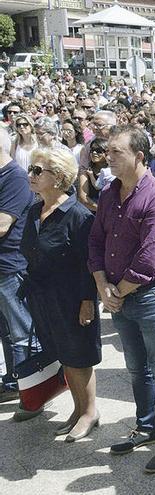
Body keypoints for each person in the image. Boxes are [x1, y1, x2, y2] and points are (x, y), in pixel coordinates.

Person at [87, 125, 155, 473]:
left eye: (116, 152)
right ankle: (146, 427)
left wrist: (116, 293)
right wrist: (102, 286)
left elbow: (148, 259)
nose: (107, 157)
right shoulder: (111, 192)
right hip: (117, 294)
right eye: (108, 151)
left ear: (139, 156)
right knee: (136, 367)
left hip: (150, 295)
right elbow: (96, 241)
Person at [20, 149, 101, 438]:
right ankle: (78, 409)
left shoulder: (77, 215)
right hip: (43, 297)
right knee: (65, 354)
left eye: (37, 170)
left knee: (79, 355)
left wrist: (87, 301)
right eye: (31, 169)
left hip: (72, 298)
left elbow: (89, 264)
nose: (30, 175)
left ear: (58, 177)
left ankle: (89, 411)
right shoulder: (34, 210)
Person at [0, 129, 36, 411]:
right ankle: (14, 382)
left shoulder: (14, 177)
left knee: (21, 330)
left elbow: (2, 224)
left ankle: (32, 390)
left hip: (10, 266)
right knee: (6, 330)